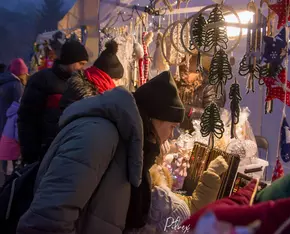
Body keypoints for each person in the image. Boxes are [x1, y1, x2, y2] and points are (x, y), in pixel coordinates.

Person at [17, 71, 185, 234]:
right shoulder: (99, 136)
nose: (171, 135)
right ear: (154, 119)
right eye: (171, 127)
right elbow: (48, 219)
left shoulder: (126, 144)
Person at [17, 40, 88, 164]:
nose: (83, 68)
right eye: (80, 64)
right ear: (69, 61)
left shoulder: (79, 83)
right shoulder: (41, 80)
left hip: (69, 150)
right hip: (44, 151)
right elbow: (27, 119)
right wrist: (30, 155)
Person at [127, 156, 228, 233]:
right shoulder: (164, 201)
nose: (162, 169)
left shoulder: (143, 197)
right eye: (161, 172)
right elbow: (197, 207)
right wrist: (212, 173)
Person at [60, 40, 124, 110]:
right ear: (105, 78)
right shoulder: (84, 95)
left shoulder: (102, 95)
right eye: (116, 79)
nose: (118, 83)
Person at [178, 54, 226, 132]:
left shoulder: (211, 86)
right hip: (185, 136)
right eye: (181, 73)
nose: (183, 77)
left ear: (197, 71)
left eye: (186, 73)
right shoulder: (182, 85)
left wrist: (189, 111)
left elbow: (213, 115)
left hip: (204, 137)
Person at [0, 58, 28, 180]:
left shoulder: (4, 81)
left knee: (4, 153)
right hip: (9, 124)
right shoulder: (16, 85)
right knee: (11, 159)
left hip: (2, 120)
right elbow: (20, 106)